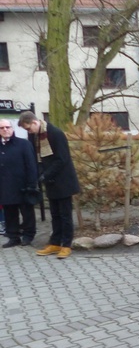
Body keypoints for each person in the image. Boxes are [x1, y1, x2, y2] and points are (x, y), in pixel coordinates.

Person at [18, 111, 80, 259]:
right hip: (50, 181)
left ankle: (66, 245)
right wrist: (40, 174)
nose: (28, 132)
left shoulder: (55, 133)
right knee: (55, 214)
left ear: (34, 122)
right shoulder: (35, 136)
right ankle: (55, 243)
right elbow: (36, 157)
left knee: (65, 215)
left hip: (63, 180)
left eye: (28, 128)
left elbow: (62, 159)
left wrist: (46, 175)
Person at [0, 119, 38, 248]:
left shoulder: (23, 144)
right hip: (5, 187)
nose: (5, 130)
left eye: (7, 127)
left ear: (12, 128)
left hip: (23, 186)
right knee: (10, 214)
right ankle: (13, 237)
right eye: (2, 128)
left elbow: (31, 165)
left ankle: (28, 236)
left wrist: (32, 184)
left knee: (27, 213)